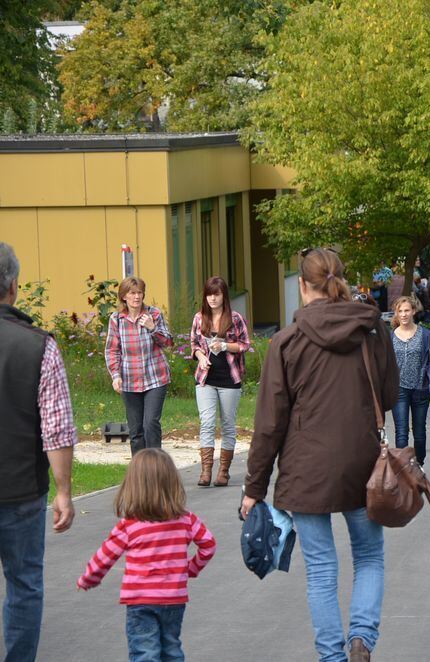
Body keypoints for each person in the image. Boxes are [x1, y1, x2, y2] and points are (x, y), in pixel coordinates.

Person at [243, 248, 399, 661]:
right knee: (368, 556)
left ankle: (331, 657)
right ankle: (362, 637)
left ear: (301, 285)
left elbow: (270, 422)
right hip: (364, 462)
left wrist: (253, 486)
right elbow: (389, 395)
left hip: (306, 467)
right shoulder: (371, 329)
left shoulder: (286, 341)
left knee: (321, 569)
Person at [0, 242, 76, 661]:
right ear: (13, 286)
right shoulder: (38, 345)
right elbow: (57, 427)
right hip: (21, 490)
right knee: (24, 583)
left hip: (20, 490)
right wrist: (63, 490)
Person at [78, 449, 216, 662]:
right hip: (174, 598)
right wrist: (191, 568)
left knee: (145, 652)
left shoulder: (129, 525)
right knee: (171, 649)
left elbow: (105, 556)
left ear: (133, 486)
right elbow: (208, 545)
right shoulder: (186, 520)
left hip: (140, 599)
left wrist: (89, 578)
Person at [190, 276, 251, 487]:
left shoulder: (235, 318)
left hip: (230, 378)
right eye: (209, 294)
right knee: (206, 423)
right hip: (206, 378)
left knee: (227, 424)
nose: (212, 299)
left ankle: (223, 471)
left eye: (216, 294)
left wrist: (225, 346)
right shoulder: (199, 318)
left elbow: (245, 344)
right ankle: (206, 471)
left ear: (223, 295)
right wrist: (200, 356)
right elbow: (194, 344)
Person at [105, 276, 173, 456]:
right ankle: (140, 472)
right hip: (129, 381)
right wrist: (116, 375)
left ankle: (157, 469)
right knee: (136, 431)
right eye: (132, 293)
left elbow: (168, 342)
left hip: (155, 378)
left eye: (139, 293)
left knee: (150, 424)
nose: (136, 297)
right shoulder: (116, 319)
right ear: (124, 297)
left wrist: (152, 328)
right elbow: (112, 350)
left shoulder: (154, 314)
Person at [390, 296, 430, 467]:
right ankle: (403, 468)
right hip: (399, 389)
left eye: (406, 311)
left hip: (420, 388)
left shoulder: (425, 334)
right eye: (400, 311)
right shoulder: (390, 337)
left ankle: (419, 464)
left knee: (419, 432)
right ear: (396, 314)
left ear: (413, 311)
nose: (403, 314)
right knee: (401, 432)